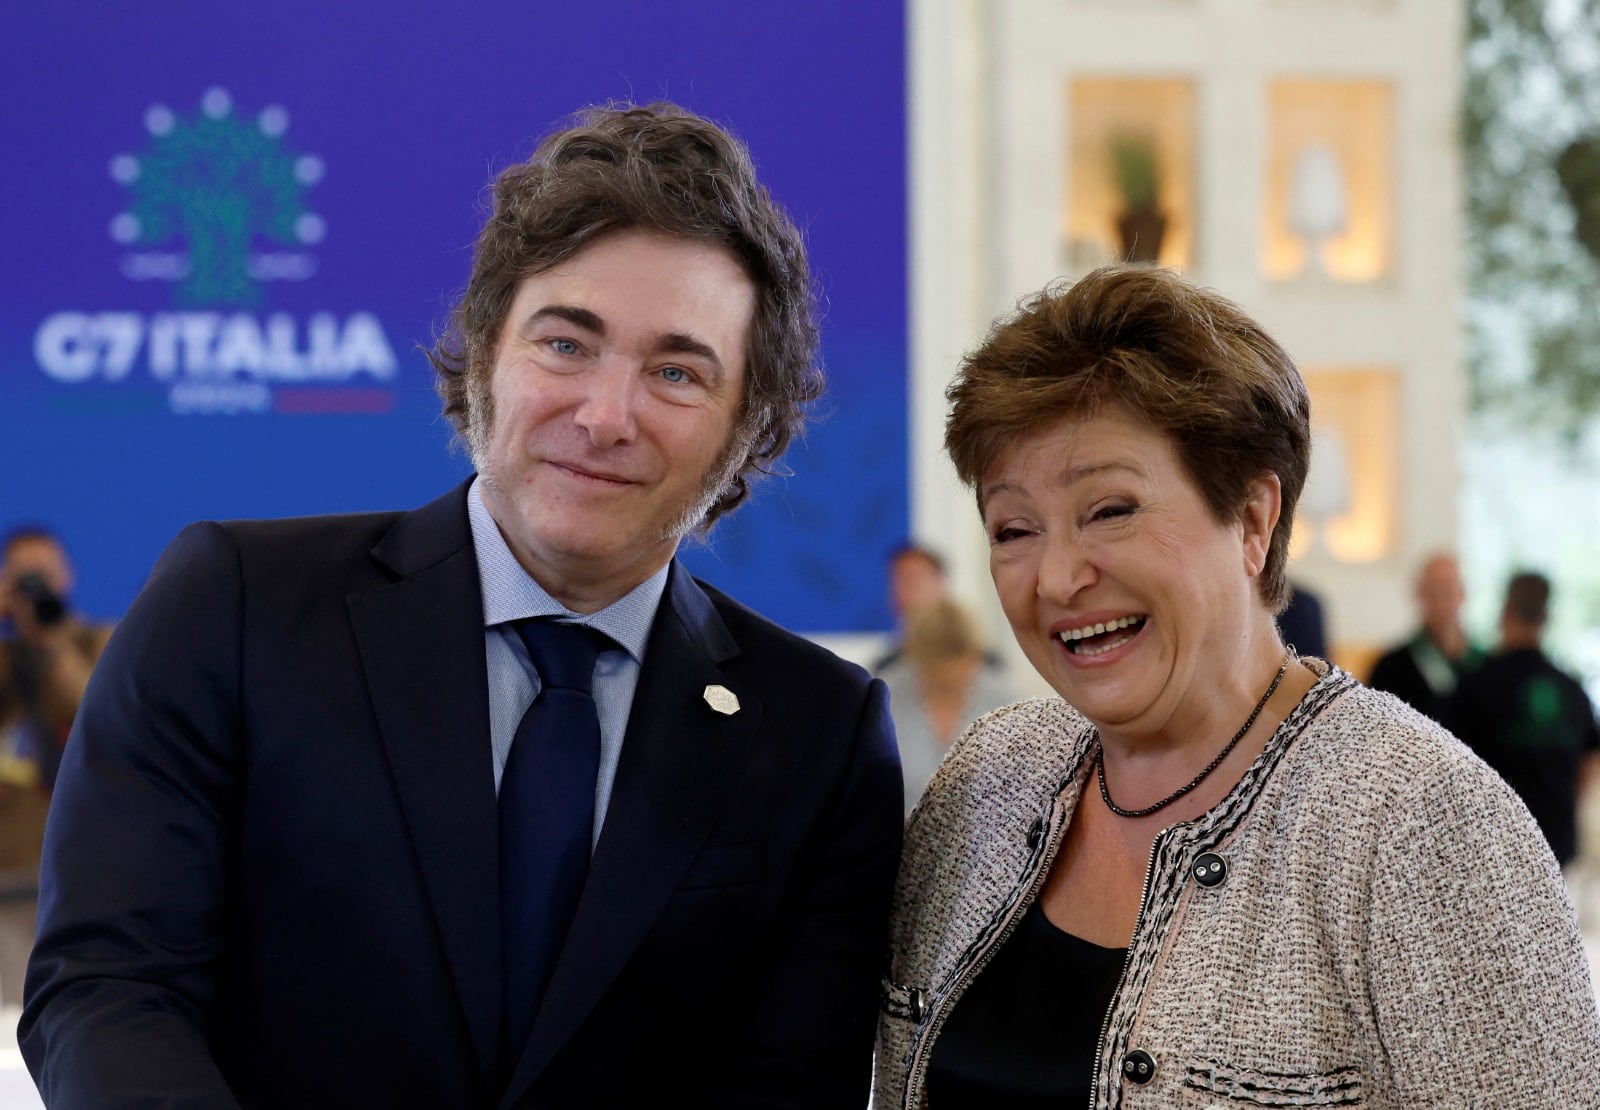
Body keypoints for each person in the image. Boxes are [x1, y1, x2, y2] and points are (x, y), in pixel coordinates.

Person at [23, 102, 903, 1109]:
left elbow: (792, 1089)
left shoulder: (820, 736)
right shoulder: (233, 608)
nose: (605, 416)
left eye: (674, 371)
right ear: (484, 351)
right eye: (566, 344)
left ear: (748, 431)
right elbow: (108, 989)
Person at [874, 265, 1599, 1107]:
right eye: (1014, 529)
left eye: (1110, 510)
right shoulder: (989, 781)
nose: (1059, 577)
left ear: (1254, 519)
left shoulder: (1417, 822)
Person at [1446, 571, 1600, 869]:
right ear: (1546, 617)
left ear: (1505, 613)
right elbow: (1589, 765)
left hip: (1490, 849)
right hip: (1556, 850)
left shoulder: (1476, 685)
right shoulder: (1571, 689)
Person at [878, 598, 1016, 815]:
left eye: (963, 667)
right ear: (915, 659)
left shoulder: (1006, 702)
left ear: (976, 655)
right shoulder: (884, 699)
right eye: (937, 673)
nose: (950, 679)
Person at [0, 527, 113, 794]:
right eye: (24, 578)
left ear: (66, 575)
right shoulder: (6, 652)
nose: (35, 588)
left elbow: (96, 713)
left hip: (80, 805)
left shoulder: (100, 640)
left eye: (43, 575)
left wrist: (53, 642)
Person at [1367, 553, 1484, 721]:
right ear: (1419, 594)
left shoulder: (1486, 665)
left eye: (1449, 589)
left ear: (1463, 594)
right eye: (1434, 590)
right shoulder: (1391, 667)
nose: (1441, 600)